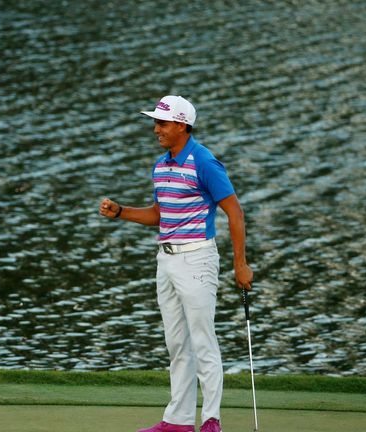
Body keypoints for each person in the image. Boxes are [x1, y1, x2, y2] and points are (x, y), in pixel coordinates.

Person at [99, 95, 253, 432]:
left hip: (197, 256)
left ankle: (212, 420)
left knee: (203, 340)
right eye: (156, 122)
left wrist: (239, 264)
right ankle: (178, 421)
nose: (156, 129)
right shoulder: (161, 165)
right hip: (166, 261)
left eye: (162, 123)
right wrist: (122, 212)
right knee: (177, 343)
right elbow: (160, 215)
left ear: (182, 125)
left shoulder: (204, 162)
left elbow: (235, 212)